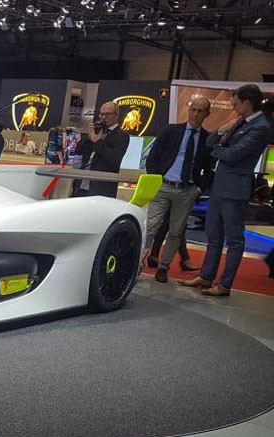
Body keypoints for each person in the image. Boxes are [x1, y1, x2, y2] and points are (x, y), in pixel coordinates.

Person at [179, 84, 272, 297]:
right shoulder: (239, 122)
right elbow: (210, 141)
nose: (233, 106)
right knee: (213, 236)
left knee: (234, 240)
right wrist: (222, 131)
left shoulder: (260, 127)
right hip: (218, 186)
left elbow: (233, 155)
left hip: (235, 190)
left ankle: (225, 284)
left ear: (247, 102)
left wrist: (218, 149)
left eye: (236, 103)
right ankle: (206, 275)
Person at [143, 96, 212, 283]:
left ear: (207, 114)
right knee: (151, 226)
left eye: (200, 111)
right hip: (164, 185)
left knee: (176, 231)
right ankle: (139, 261)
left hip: (187, 190)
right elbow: (153, 155)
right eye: (193, 109)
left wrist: (199, 188)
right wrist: (155, 178)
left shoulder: (207, 139)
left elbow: (209, 168)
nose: (195, 114)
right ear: (188, 110)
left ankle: (163, 267)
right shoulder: (172, 131)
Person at [72, 101, 130, 198]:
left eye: (107, 114)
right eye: (101, 114)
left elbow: (114, 159)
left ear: (116, 115)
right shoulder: (97, 130)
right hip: (82, 182)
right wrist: (87, 137)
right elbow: (79, 152)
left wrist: (98, 142)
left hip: (102, 185)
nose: (103, 117)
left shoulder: (122, 136)